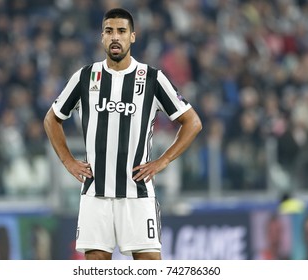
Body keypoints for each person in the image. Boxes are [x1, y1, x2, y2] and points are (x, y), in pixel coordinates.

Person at [43, 8, 202, 260]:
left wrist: (164, 160)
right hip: (95, 194)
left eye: (121, 31)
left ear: (133, 37)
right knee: (96, 267)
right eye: (109, 31)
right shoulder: (85, 77)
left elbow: (192, 122)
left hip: (137, 194)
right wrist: (68, 161)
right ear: (102, 37)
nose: (115, 37)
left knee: (149, 266)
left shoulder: (152, 78)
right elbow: (52, 118)